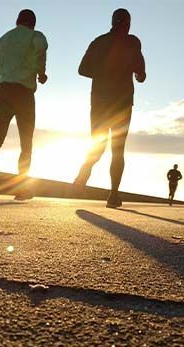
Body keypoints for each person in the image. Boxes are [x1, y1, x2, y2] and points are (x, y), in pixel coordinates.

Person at [73, 8, 146, 208]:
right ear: (128, 23)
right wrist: (136, 74)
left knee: (98, 144)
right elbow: (141, 73)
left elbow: (82, 69)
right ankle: (113, 195)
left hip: (99, 102)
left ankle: (83, 174)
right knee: (118, 149)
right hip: (122, 103)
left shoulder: (98, 42)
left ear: (112, 22)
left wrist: (103, 71)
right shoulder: (133, 42)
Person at [0, 9, 48, 201]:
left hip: (3, 90)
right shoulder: (36, 36)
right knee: (26, 142)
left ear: (17, 21)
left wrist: (8, 70)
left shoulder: (4, 38)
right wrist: (40, 72)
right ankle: (21, 188)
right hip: (24, 94)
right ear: (32, 23)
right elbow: (41, 49)